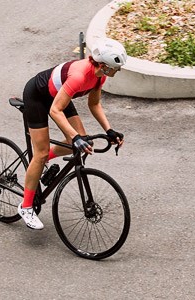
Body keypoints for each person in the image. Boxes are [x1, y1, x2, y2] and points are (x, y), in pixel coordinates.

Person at [18, 38, 127, 229]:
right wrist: (75, 137)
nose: (117, 71)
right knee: (42, 152)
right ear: (103, 65)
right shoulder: (79, 76)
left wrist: (109, 130)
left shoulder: (100, 76)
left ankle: (42, 161)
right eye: (115, 68)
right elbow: (54, 111)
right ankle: (26, 207)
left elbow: (94, 104)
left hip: (59, 97)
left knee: (84, 143)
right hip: (37, 97)